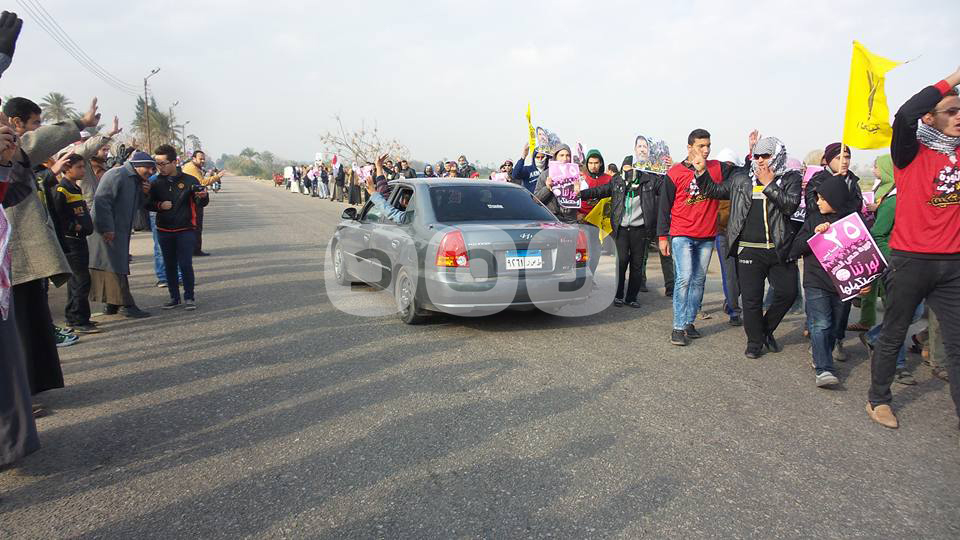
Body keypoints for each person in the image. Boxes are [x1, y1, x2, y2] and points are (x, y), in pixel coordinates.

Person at [867, 68, 960, 430]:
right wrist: (952, 79)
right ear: (929, 117)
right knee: (894, 332)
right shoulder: (910, 152)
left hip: (953, 265)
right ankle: (878, 399)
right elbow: (905, 115)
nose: (958, 117)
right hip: (911, 261)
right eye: (951, 111)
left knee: (956, 344)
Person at [695, 137, 801, 358]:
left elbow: (790, 206)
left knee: (788, 293)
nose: (760, 160)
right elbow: (713, 191)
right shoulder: (742, 178)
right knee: (751, 300)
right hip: (748, 249)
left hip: (779, 249)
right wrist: (701, 172)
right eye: (757, 156)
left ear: (777, 155)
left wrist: (769, 184)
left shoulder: (790, 178)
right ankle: (754, 342)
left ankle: (765, 330)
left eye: (766, 156)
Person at [658, 129, 738, 346]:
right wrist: (662, 236)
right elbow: (664, 206)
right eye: (701, 145)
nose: (706, 149)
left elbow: (742, 172)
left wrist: (752, 153)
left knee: (698, 280)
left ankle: (688, 322)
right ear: (689, 147)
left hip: (707, 235)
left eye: (708, 145)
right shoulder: (675, 172)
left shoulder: (717, 168)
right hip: (681, 234)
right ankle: (677, 327)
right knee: (684, 278)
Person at [791, 175, 859, 387]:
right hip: (816, 281)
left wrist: (864, 282)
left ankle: (820, 353)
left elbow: (865, 254)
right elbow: (796, 248)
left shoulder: (854, 222)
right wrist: (815, 235)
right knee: (821, 324)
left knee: (835, 326)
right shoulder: (813, 219)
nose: (818, 202)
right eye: (817, 198)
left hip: (843, 284)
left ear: (836, 199)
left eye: (822, 198)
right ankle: (824, 369)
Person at [580, 152, 665, 308]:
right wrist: (578, 194)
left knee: (637, 265)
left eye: (631, 168)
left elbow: (667, 188)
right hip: (621, 229)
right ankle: (618, 295)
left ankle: (631, 297)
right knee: (621, 262)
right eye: (625, 169)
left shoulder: (649, 181)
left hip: (641, 230)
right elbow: (599, 191)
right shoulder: (617, 181)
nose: (628, 172)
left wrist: (665, 169)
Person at [805, 142, 863, 362]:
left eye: (847, 157)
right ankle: (818, 346)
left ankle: (836, 338)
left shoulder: (853, 181)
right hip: (823, 245)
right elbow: (812, 207)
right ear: (828, 160)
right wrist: (833, 190)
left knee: (843, 300)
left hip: (846, 245)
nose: (844, 161)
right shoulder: (818, 179)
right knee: (819, 303)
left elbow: (856, 209)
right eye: (839, 157)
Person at [88, 151, 155, 319]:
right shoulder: (116, 175)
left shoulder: (135, 180)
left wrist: (144, 193)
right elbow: (101, 202)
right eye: (147, 168)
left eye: (152, 169)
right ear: (136, 166)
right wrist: (107, 228)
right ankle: (126, 305)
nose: (150, 172)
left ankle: (112, 303)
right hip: (107, 230)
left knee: (114, 265)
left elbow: (136, 206)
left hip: (120, 231)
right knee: (112, 266)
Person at [149, 145, 209, 310]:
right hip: (164, 230)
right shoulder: (155, 182)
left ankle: (189, 297)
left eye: (163, 163)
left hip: (185, 229)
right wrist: (160, 205)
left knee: (185, 264)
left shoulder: (190, 181)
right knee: (169, 265)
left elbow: (201, 203)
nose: (160, 167)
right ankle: (174, 298)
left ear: (174, 162)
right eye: (157, 164)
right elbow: (147, 204)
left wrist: (203, 197)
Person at [51, 154, 98, 333]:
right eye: (79, 167)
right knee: (81, 280)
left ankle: (75, 316)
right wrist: (74, 226)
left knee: (76, 280)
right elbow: (58, 216)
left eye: (83, 166)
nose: (83, 170)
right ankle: (79, 320)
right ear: (66, 169)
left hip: (80, 239)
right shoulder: (61, 190)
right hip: (71, 241)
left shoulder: (75, 188)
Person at [181, 150, 222, 257]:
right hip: (193, 200)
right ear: (193, 158)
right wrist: (217, 177)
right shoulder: (191, 168)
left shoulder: (194, 167)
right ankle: (195, 250)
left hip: (194, 199)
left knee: (195, 225)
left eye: (203, 159)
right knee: (196, 225)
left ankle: (194, 249)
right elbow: (202, 182)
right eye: (200, 159)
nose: (203, 161)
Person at [535, 144, 586, 224]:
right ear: (556, 157)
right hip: (551, 220)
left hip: (570, 220)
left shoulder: (576, 174)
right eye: (561, 155)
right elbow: (536, 200)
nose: (565, 158)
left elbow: (583, 198)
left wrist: (578, 192)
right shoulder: (545, 174)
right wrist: (547, 188)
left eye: (567, 155)